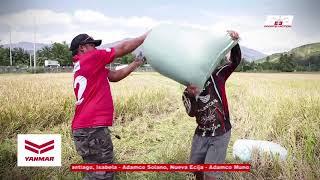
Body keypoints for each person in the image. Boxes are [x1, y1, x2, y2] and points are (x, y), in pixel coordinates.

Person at [69, 32, 148, 180]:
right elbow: (123, 47)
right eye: (92, 45)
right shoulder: (92, 57)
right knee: (103, 174)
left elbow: (114, 76)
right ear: (82, 48)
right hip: (93, 128)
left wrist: (136, 63)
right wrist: (146, 37)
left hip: (83, 129)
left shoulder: (84, 64)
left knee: (94, 172)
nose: (95, 48)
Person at [182, 31, 241, 180]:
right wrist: (191, 95)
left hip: (220, 133)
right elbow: (191, 113)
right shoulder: (187, 90)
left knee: (211, 174)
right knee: (197, 169)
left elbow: (234, 62)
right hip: (201, 134)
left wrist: (234, 43)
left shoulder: (218, 75)